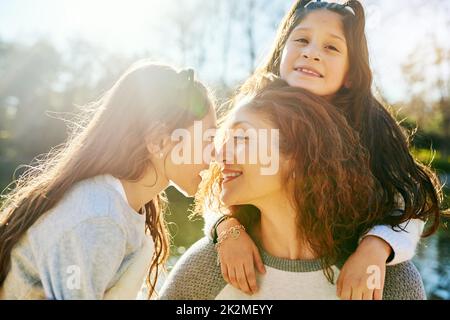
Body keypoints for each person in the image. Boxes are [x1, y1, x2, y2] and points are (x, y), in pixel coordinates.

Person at [205, 0, 442, 300]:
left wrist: (375, 247)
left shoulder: (370, 128)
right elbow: (219, 180)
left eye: (331, 48)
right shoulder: (255, 108)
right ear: (281, 53)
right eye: (301, 39)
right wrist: (227, 229)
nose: (311, 52)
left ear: (351, 74)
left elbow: (407, 202)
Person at [160, 78, 427, 300]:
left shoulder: (384, 279)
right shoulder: (211, 266)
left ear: (300, 156)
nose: (217, 154)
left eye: (241, 137)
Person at [0, 61, 217, 299]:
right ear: (159, 141)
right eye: (207, 139)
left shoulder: (125, 207)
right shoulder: (99, 218)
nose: (215, 153)